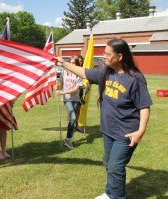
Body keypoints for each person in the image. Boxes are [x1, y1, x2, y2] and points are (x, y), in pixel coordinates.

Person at [55, 38, 152, 199]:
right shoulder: (105, 72)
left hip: (126, 133)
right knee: (109, 164)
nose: (104, 56)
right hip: (108, 131)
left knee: (115, 167)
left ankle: (117, 197)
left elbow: (144, 107)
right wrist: (63, 63)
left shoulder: (135, 78)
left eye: (107, 54)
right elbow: (84, 72)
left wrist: (140, 131)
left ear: (120, 56)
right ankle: (110, 192)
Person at [55, 55, 83, 149]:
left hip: (75, 99)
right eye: (70, 62)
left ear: (77, 64)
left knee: (72, 120)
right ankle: (68, 139)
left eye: (73, 63)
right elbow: (62, 84)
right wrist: (58, 87)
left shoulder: (79, 74)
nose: (71, 64)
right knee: (73, 117)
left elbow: (76, 89)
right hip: (67, 99)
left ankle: (68, 138)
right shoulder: (63, 72)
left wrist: (62, 91)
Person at [75, 55, 85, 133]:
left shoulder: (83, 70)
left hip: (80, 94)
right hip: (73, 93)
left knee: (78, 110)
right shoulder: (73, 70)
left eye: (81, 61)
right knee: (71, 111)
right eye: (78, 61)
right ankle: (70, 125)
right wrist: (83, 87)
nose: (79, 62)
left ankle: (76, 125)